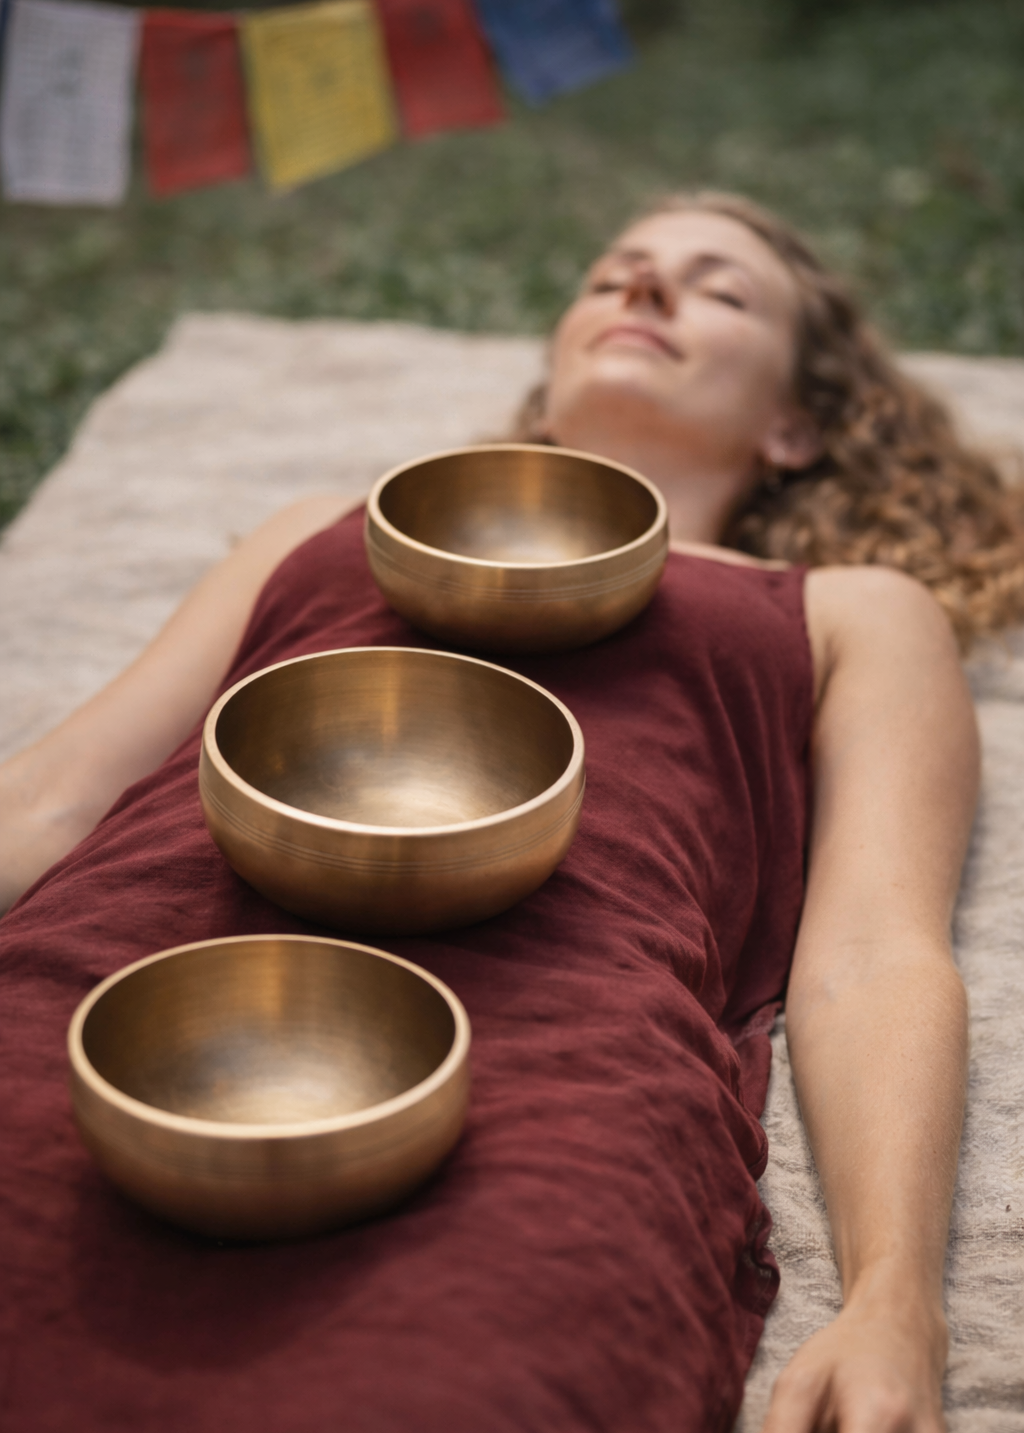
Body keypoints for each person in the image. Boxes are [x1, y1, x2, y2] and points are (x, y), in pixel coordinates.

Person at [1, 192, 1022, 1433]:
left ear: (795, 426)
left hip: (546, 1052)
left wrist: (893, 1300)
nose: (644, 292)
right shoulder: (319, 530)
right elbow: (57, 794)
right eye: (615, 275)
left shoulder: (848, 607)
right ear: (546, 387)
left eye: (719, 288)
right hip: (139, 957)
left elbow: (872, 956)